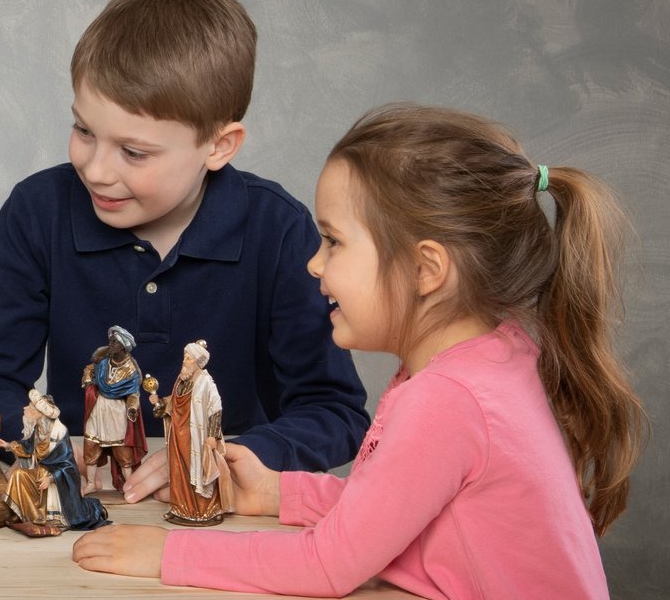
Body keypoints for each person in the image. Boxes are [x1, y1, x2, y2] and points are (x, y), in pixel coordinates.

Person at [72, 104, 645, 598]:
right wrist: (279, 491)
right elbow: (397, 510)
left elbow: (328, 564)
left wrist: (168, 553)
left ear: (425, 269)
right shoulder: (493, 358)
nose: (313, 263)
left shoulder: (449, 399)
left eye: (334, 242)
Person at [0, 0, 368, 494]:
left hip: (222, 506)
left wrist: (219, 457)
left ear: (219, 146)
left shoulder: (278, 229)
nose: (96, 170)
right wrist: (43, 444)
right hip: (84, 495)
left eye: (133, 152)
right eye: (84, 131)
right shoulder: (36, 211)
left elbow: (334, 411)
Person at [0, 390, 109, 538]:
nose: (25, 408)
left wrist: (51, 478)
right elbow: (28, 447)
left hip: (54, 478)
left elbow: (68, 466)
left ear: (40, 413)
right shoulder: (39, 429)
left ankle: (49, 517)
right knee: (18, 475)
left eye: (30, 407)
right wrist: (8, 445)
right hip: (39, 471)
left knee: (29, 479)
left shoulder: (59, 434)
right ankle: (30, 515)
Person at [152, 340, 232, 526]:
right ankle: (181, 509)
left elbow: (216, 409)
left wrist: (212, 436)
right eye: (184, 357)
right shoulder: (181, 380)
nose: (184, 361)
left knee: (200, 471)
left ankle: (206, 511)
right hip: (177, 435)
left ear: (198, 362)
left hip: (196, 436)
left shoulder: (206, 382)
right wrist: (159, 403)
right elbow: (174, 402)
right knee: (178, 471)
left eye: (189, 358)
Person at [80, 326, 147, 494]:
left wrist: (132, 407)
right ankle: (91, 484)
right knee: (91, 445)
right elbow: (89, 369)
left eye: (114, 343)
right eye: (110, 342)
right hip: (98, 408)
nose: (110, 345)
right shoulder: (103, 361)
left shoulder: (131, 370)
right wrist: (88, 381)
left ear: (123, 346)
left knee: (122, 452)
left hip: (117, 412)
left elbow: (133, 394)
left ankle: (129, 485)